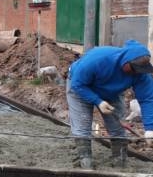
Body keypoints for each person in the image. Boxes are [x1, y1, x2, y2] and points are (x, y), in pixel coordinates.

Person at [66, 39, 153, 169]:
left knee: (117, 128)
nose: (137, 72)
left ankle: (120, 160)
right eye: (134, 68)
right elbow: (77, 84)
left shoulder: (140, 74)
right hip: (81, 88)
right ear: (125, 61)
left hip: (111, 92)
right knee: (82, 125)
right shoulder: (98, 59)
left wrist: (150, 129)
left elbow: (147, 99)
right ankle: (85, 160)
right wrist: (98, 101)